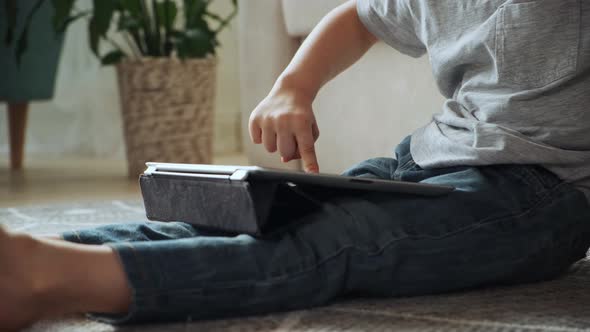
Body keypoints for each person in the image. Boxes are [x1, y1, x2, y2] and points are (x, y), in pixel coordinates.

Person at [2, 0, 590, 330]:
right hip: (426, 159)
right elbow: (359, 17)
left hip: (542, 190)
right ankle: (55, 251)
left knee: (343, 240)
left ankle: (52, 281)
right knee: (268, 209)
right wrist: (294, 85)